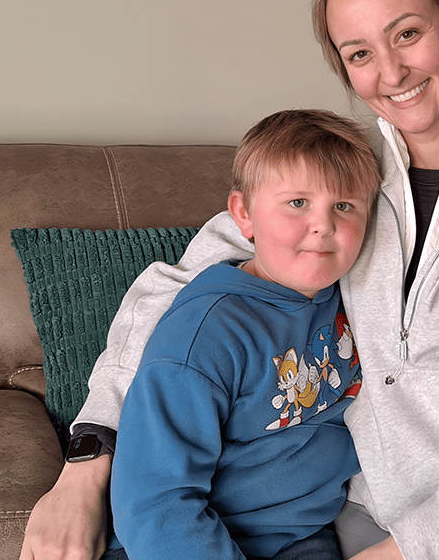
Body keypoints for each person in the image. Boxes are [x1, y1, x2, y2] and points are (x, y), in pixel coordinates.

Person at [20, 0, 439, 560]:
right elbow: (175, 293)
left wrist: (410, 547)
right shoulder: (337, 180)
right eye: (359, 53)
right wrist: (87, 464)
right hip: (373, 500)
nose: (391, 72)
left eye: (407, 34)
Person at [106, 109, 380, 560]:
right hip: (185, 540)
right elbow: (154, 502)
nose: (324, 224)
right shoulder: (205, 336)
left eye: (344, 206)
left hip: (301, 535)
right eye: (297, 203)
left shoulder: (348, 299)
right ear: (243, 215)